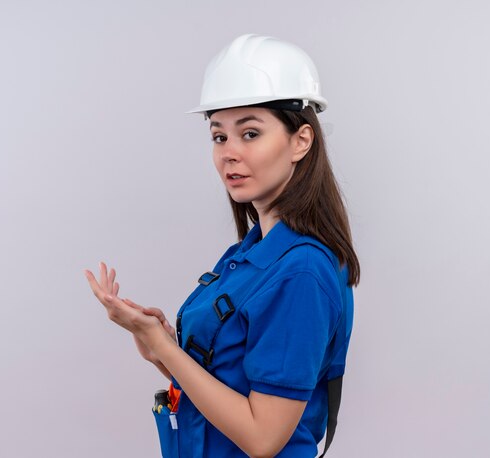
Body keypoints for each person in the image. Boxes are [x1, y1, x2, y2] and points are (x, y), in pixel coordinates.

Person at [85, 34, 360, 458]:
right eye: (219, 137)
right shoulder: (249, 256)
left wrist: (164, 349)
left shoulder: (301, 271)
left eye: (250, 133)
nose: (229, 153)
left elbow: (263, 437)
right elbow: (227, 383)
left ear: (300, 141)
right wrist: (160, 345)